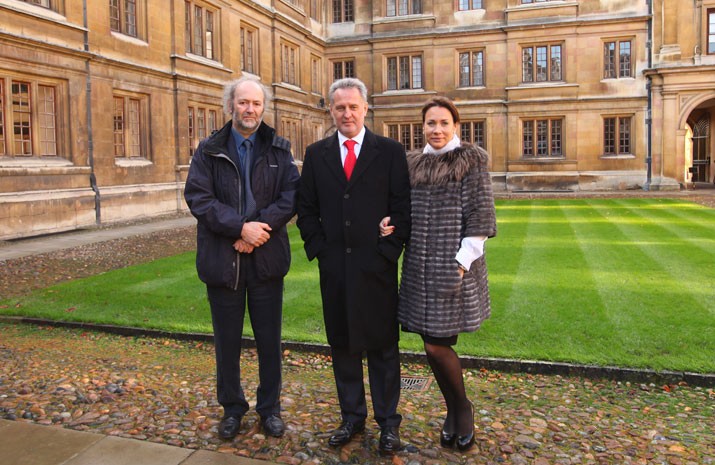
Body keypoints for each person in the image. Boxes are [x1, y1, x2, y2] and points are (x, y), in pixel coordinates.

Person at [296, 77, 411, 454]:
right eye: (340, 107)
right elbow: (306, 209)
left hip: (375, 268)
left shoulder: (390, 151)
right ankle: (352, 417)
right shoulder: (316, 154)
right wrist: (320, 251)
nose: (347, 113)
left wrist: (387, 251)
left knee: (382, 348)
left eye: (353, 106)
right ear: (330, 110)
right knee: (343, 345)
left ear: (365, 109)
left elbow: (402, 208)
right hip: (336, 269)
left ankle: (388, 423)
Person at [184, 76, 300, 440]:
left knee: (269, 341)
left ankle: (270, 410)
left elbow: (291, 196)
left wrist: (257, 229)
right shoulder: (208, 150)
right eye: (243, 102)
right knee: (227, 342)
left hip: (265, 258)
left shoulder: (279, 149)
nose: (250, 109)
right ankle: (232, 409)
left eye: (256, 104)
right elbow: (199, 199)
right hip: (223, 259)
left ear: (263, 108)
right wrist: (239, 229)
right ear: (230, 105)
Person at [381, 96, 496, 452]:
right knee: (430, 345)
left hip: (454, 266)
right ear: (423, 126)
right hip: (419, 267)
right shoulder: (412, 164)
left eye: (444, 123)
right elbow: (405, 210)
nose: (437, 129)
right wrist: (391, 222)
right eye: (431, 123)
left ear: (455, 126)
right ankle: (454, 410)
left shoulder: (471, 162)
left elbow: (480, 218)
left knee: (437, 343)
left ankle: (462, 409)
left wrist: (461, 263)